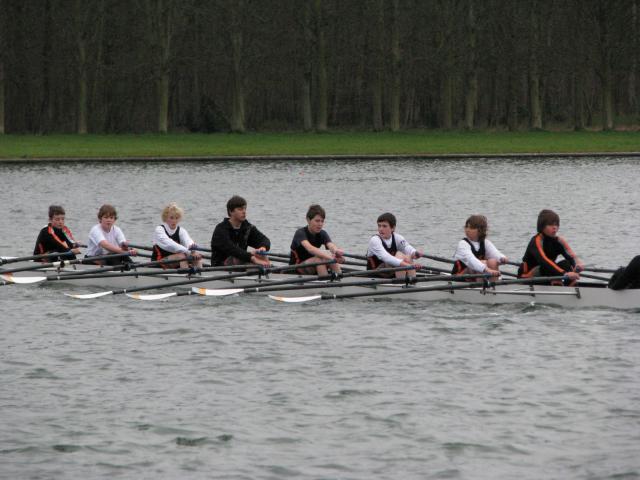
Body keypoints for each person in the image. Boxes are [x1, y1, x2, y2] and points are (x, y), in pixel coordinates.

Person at [517, 209, 584, 284]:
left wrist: (577, 265)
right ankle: (557, 284)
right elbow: (544, 261)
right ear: (542, 226)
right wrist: (564, 273)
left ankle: (570, 286)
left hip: (547, 274)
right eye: (550, 225)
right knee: (546, 266)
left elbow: (572, 257)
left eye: (556, 225)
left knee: (566, 264)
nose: (554, 227)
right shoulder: (536, 241)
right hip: (527, 277)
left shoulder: (559, 241)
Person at [210, 195, 271, 267]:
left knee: (260, 254)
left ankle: (267, 269)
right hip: (220, 266)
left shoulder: (247, 227)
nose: (244, 212)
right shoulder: (220, 230)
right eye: (240, 209)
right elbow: (232, 249)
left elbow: (264, 240)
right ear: (231, 211)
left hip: (240, 262)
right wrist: (252, 258)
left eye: (245, 209)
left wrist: (263, 247)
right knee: (252, 259)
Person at [289, 204, 344, 275]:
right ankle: (324, 282)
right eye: (317, 221)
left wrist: (336, 252)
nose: (320, 224)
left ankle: (339, 278)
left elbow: (330, 245)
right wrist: (330, 257)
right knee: (320, 259)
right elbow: (310, 249)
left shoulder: (322, 233)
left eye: (322, 221)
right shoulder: (300, 233)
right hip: (296, 268)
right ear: (308, 220)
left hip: (312, 265)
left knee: (328, 257)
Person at [366, 212, 423, 278]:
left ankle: (412, 281)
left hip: (390, 272)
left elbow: (408, 248)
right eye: (379, 226)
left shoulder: (397, 237)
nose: (381, 229)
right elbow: (386, 257)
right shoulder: (375, 240)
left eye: (384, 226)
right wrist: (409, 266)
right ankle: (402, 282)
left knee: (408, 257)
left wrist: (416, 253)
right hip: (375, 274)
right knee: (399, 255)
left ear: (393, 228)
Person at [151, 203, 203, 269]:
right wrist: (188, 252)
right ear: (165, 218)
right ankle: (186, 277)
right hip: (158, 262)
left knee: (197, 258)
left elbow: (188, 240)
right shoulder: (159, 230)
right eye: (171, 218)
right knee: (182, 257)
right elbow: (169, 244)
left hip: (175, 261)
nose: (174, 221)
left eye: (176, 218)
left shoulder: (181, 230)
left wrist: (193, 251)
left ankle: (199, 276)